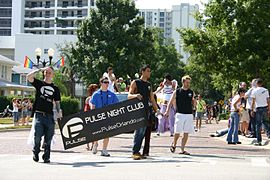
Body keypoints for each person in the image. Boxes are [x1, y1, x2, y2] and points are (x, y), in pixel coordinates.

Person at [27, 67, 61, 163]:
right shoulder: (39, 84)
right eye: (46, 72)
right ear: (44, 73)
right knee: (37, 135)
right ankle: (36, 152)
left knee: (48, 138)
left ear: (53, 75)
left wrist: (59, 113)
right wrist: (39, 69)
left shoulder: (55, 89)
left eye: (50, 72)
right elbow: (28, 77)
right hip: (39, 114)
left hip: (49, 116)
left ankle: (46, 156)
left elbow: (57, 102)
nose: (48, 74)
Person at [128, 65, 160, 160]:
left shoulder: (149, 85)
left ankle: (138, 151)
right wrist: (135, 96)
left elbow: (152, 99)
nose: (149, 73)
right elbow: (128, 95)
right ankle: (135, 152)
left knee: (143, 132)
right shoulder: (135, 82)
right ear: (143, 71)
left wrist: (157, 110)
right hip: (137, 110)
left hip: (146, 110)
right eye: (148, 71)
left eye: (150, 71)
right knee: (139, 131)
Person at [165, 75, 195, 155]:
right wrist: (167, 111)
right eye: (187, 82)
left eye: (189, 82)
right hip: (180, 114)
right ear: (183, 82)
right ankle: (174, 144)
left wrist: (194, 103)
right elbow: (170, 102)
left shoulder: (191, 92)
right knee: (177, 132)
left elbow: (193, 102)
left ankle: (182, 149)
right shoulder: (177, 91)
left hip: (189, 114)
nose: (188, 84)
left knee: (186, 132)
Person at [90, 77, 119, 157]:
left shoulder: (112, 94)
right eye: (105, 82)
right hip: (98, 117)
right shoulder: (96, 94)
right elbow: (93, 105)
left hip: (108, 117)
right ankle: (95, 144)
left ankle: (104, 149)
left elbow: (117, 105)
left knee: (107, 133)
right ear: (101, 83)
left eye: (107, 82)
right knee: (97, 133)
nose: (106, 84)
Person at [251, 78, 270, 146]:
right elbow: (268, 100)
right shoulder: (265, 90)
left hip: (258, 108)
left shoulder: (254, 91)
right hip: (265, 108)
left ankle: (259, 140)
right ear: (262, 83)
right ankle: (269, 135)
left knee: (258, 124)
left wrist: (252, 109)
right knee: (266, 122)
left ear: (257, 83)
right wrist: (269, 109)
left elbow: (253, 101)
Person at [84, 84, 98, 151]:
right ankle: (90, 145)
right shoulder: (89, 98)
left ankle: (91, 145)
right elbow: (86, 109)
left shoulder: (91, 98)